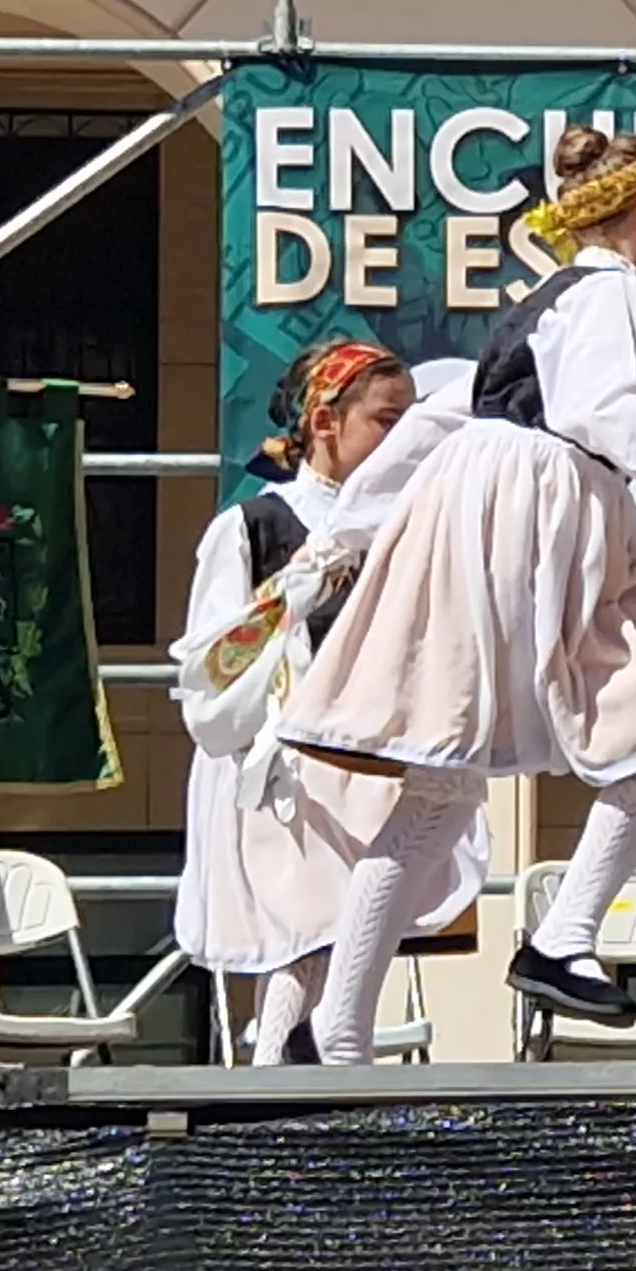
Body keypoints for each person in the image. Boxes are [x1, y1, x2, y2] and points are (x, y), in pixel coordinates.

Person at [269, 127, 636, 1066]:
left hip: (503, 506)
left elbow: (439, 420)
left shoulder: (543, 304)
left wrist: (346, 529)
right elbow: (614, 416)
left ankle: (340, 1027)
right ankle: (562, 936)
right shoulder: (613, 294)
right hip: (541, 510)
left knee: (444, 781)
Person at [169, 342, 490, 1065]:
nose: (401, 439)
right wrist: (297, 593)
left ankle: (299, 1068)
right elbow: (213, 662)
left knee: (347, 926)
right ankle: (289, 1073)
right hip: (283, 770)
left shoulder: (406, 522)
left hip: (372, 759)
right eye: (386, 420)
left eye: (411, 422)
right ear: (323, 421)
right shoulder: (256, 525)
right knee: (310, 924)